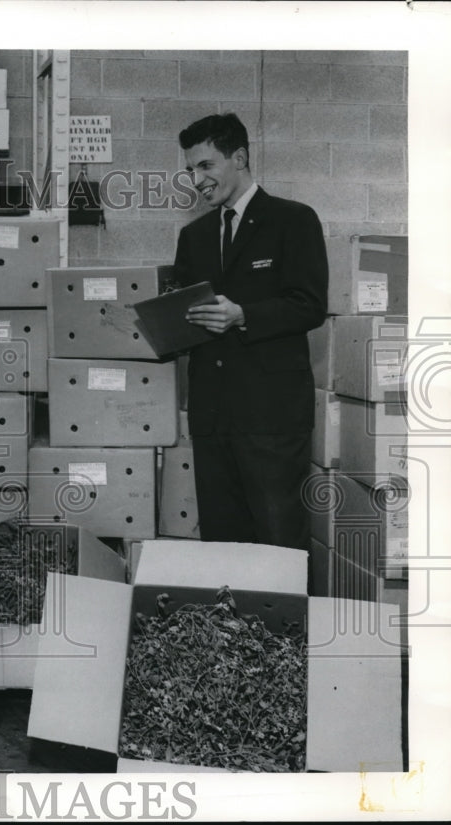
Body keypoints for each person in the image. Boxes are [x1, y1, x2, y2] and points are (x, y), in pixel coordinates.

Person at [174, 113, 328, 550]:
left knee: (278, 540)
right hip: (212, 417)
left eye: (205, 166)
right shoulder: (195, 236)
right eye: (190, 170)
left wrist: (242, 314)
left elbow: (309, 305)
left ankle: (287, 622)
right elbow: (189, 314)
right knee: (224, 542)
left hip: (271, 420)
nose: (197, 179)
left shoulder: (293, 220)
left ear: (238, 157)